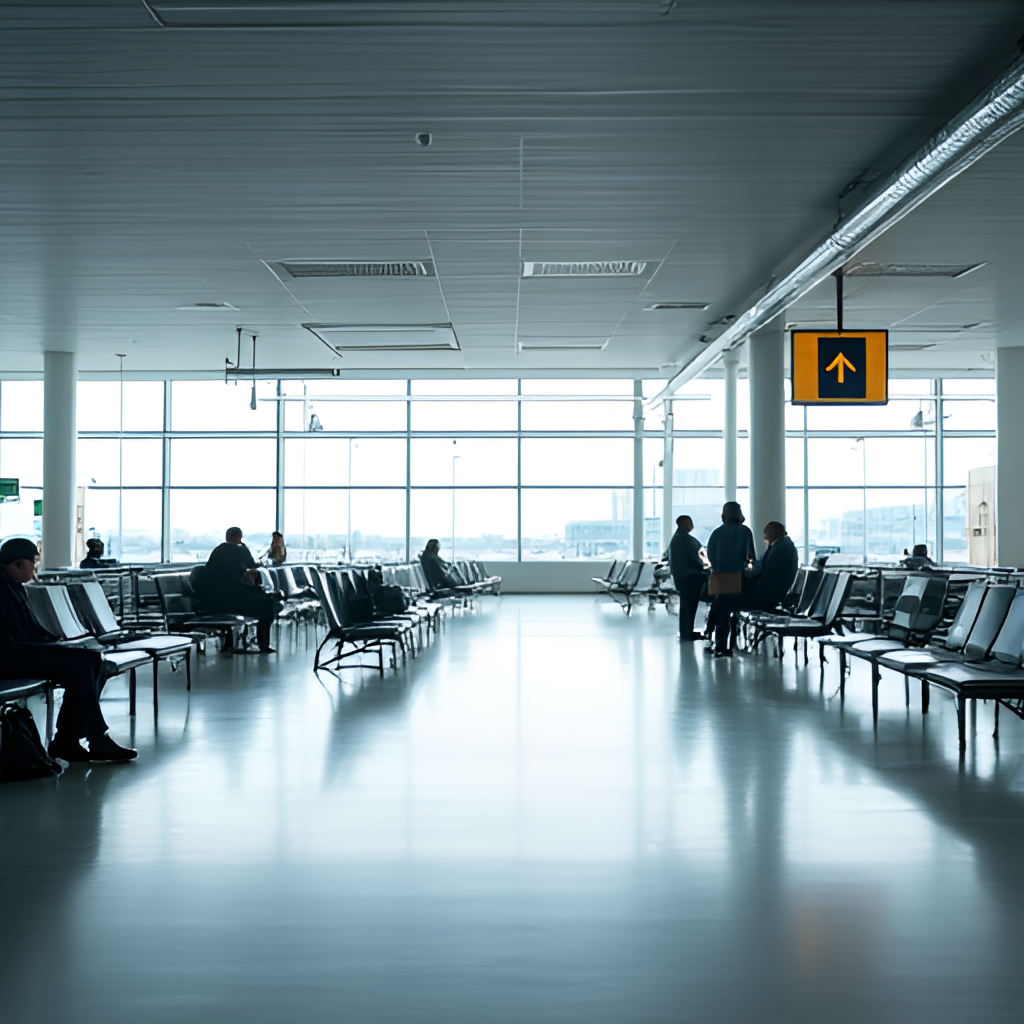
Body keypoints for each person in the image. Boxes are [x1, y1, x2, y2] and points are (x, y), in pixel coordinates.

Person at [0, 538, 137, 762]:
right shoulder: (4, 590)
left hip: (18, 652)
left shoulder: (12, 587)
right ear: (17, 564)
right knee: (80, 665)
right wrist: (53, 647)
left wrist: (58, 644)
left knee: (92, 659)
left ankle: (72, 740)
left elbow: (31, 631)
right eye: (32, 563)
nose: (35, 568)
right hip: (8, 656)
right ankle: (80, 739)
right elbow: (10, 640)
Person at [203, 527, 281, 653]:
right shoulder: (240, 550)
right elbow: (252, 567)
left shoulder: (217, 551)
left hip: (213, 600)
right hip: (233, 598)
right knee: (268, 603)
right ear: (239, 537)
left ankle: (229, 641)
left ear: (227, 537)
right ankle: (263, 644)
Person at [705, 501, 756, 657]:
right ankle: (727, 643)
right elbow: (750, 556)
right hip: (736, 577)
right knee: (731, 610)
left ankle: (716, 639)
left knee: (720, 608)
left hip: (718, 577)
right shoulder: (745, 531)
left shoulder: (716, 533)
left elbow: (710, 555)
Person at [743, 521, 799, 611]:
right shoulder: (785, 544)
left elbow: (762, 568)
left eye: (766, 534)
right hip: (779, 591)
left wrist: (744, 569)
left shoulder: (778, 548)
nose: (765, 538)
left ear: (773, 533)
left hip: (770, 593)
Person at [668, 515, 706, 641]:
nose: (692, 525)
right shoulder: (685, 539)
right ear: (683, 524)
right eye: (690, 522)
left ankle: (687, 631)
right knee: (689, 606)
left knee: (686, 606)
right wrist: (705, 568)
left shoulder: (677, 539)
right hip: (690, 578)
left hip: (683, 577)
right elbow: (695, 559)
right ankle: (687, 632)